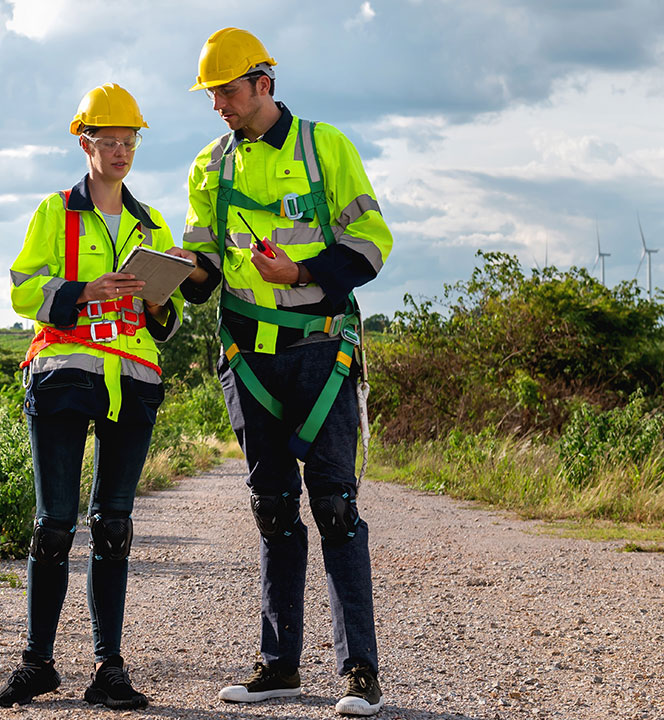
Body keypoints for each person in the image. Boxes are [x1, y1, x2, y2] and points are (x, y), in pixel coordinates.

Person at [173, 28, 394, 716]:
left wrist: (299, 271)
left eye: (229, 93)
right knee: (273, 510)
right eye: (213, 97)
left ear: (264, 85)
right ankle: (279, 668)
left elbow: (371, 244)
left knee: (334, 506)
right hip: (248, 358)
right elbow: (204, 268)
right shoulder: (208, 168)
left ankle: (359, 673)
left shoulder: (326, 149)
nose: (220, 108)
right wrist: (174, 275)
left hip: (319, 351)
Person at [0, 83, 185, 710]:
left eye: (130, 141)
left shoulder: (151, 223)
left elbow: (168, 321)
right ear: (85, 142)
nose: (123, 151)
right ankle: (38, 664)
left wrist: (158, 303)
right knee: (54, 525)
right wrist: (85, 291)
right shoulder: (55, 211)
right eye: (111, 141)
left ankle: (109, 669)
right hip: (64, 374)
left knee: (114, 525)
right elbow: (24, 289)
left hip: (133, 381)